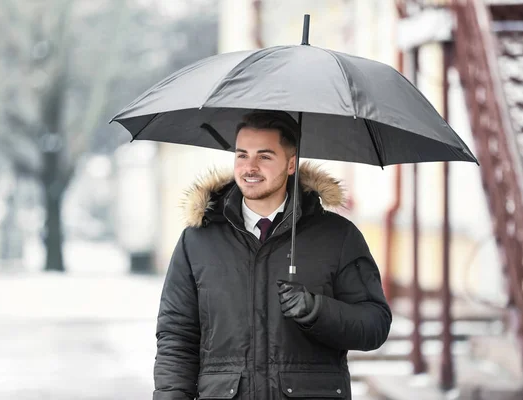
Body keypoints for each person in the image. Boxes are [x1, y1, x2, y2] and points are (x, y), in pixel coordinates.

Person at [153, 110, 392, 400]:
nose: (250, 167)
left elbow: (374, 325)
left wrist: (318, 311)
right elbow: (176, 337)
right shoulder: (198, 240)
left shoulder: (337, 237)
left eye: (264, 156)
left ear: (291, 164)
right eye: (242, 155)